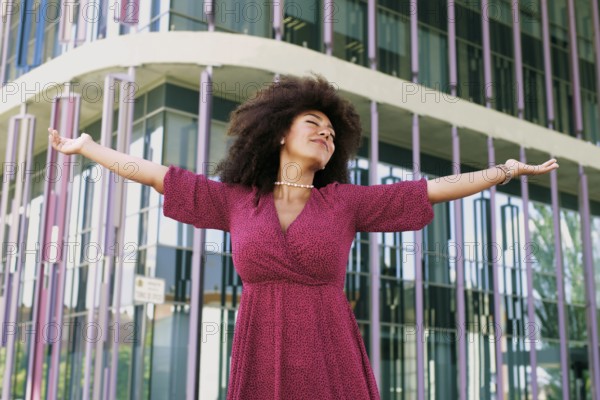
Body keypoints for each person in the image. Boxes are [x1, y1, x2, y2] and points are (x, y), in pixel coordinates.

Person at [48, 74, 558, 399]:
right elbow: (153, 173)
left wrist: (504, 170)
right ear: (278, 133)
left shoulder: (345, 202)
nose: (326, 134)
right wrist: (88, 146)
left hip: (329, 349)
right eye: (313, 123)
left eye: (332, 133)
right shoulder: (236, 199)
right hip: (260, 347)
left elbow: (430, 189)